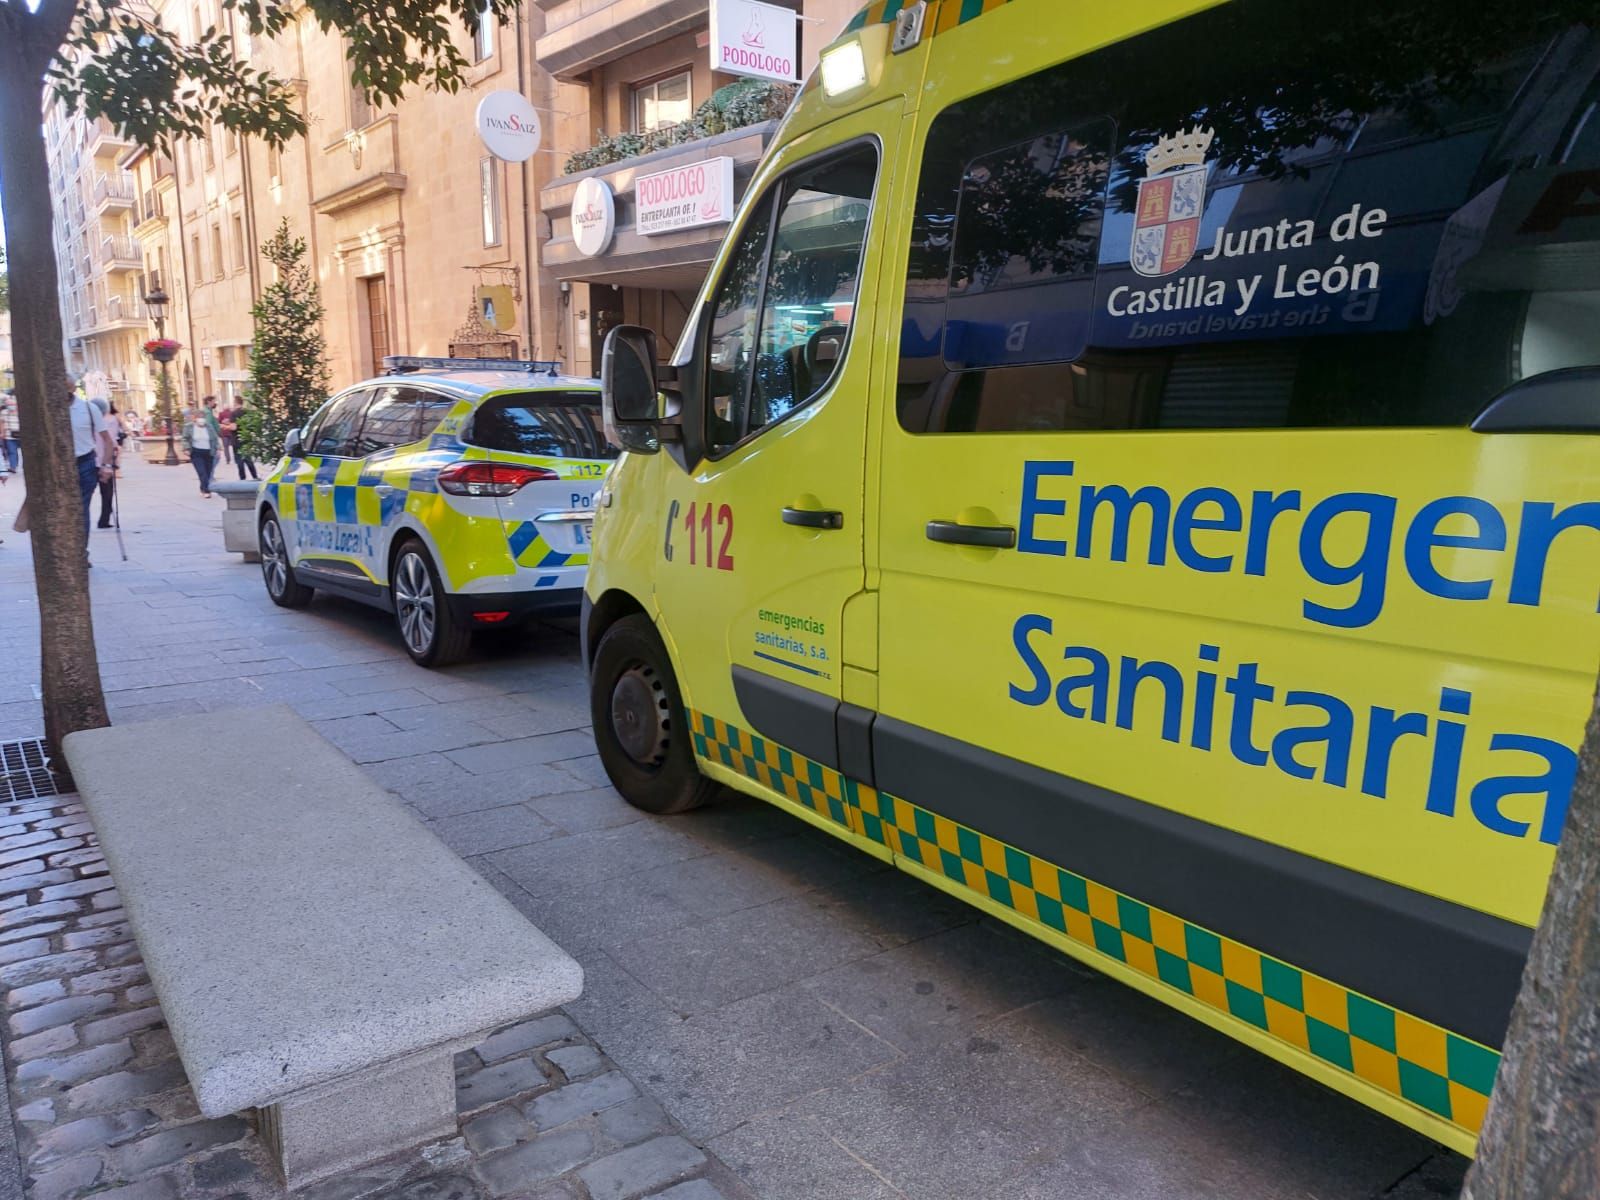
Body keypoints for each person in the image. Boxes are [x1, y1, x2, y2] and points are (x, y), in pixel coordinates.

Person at [69, 391, 115, 550]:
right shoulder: (49, 407)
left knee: (82, 507)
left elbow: (108, 441)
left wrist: (106, 466)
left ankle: (81, 552)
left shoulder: (88, 408)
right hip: (59, 464)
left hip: (85, 462)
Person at [182, 405, 221, 497]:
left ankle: (202, 488)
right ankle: (207, 491)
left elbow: (214, 438)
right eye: (199, 417)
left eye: (202, 417)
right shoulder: (189, 427)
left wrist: (218, 448)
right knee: (201, 471)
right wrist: (186, 448)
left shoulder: (209, 426)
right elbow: (185, 438)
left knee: (208, 472)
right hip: (196, 452)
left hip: (209, 452)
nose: (201, 419)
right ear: (194, 418)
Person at [96, 404, 124, 529]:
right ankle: (105, 518)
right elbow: (112, 440)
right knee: (107, 491)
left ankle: (105, 517)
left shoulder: (89, 421)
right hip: (104, 460)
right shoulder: (111, 420)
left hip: (89, 458)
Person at [232, 398, 259, 480]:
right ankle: (255, 476)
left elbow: (234, 427)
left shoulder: (234, 413)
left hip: (236, 438)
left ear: (235, 403)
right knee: (248, 459)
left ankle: (242, 478)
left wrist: (225, 426)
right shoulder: (247, 412)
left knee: (239, 460)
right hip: (246, 438)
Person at [0, 393, 19, 474]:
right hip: (9, 436)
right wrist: (2, 433)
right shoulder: (4, 412)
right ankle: (13, 467)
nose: (11, 406)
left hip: (21, 435)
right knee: (12, 451)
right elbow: (2, 423)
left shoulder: (20, 412)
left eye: (12, 404)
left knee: (16, 451)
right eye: (9, 404)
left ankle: (15, 463)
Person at [218, 400, 239, 467]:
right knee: (234, 446)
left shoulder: (221, 414)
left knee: (226, 447)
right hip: (231, 432)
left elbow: (219, 422)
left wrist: (223, 423)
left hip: (224, 432)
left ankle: (228, 459)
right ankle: (236, 459)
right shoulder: (232, 413)